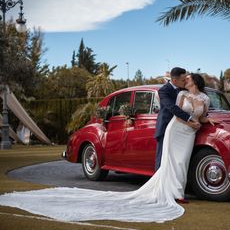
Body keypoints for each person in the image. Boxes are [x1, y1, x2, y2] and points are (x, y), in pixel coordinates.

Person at [0, 73, 217, 223]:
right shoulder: (178, 95)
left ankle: (176, 189)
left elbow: (205, 113)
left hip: (189, 131)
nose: (184, 80)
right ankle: (175, 192)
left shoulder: (202, 96)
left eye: (187, 79)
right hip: (179, 128)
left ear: (193, 81)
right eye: (183, 78)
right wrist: (190, 120)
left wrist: (207, 121)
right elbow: (173, 111)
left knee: (181, 161)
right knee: (172, 160)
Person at [154, 67, 201, 170]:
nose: (185, 82)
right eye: (183, 80)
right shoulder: (163, 91)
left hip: (180, 129)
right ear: (174, 80)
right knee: (162, 158)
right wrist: (190, 119)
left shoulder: (184, 90)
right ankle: (160, 183)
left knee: (175, 160)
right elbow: (172, 108)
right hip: (166, 127)